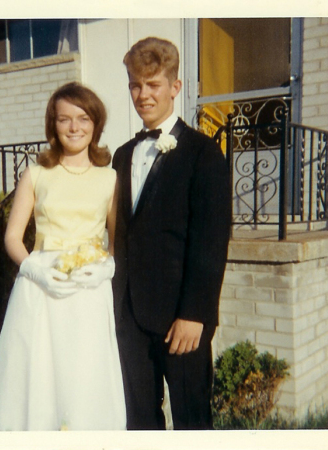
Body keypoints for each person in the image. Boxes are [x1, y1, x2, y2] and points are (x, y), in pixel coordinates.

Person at [0, 82, 126, 431]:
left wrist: (106, 267)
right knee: (39, 374)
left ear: (96, 123)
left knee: (83, 377)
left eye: (83, 118)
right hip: (41, 290)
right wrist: (35, 268)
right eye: (64, 119)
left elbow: (117, 240)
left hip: (87, 290)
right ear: (53, 125)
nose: (74, 127)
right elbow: (13, 237)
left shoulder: (110, 178)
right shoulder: (36, 174)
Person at [112, 37, 231, 430]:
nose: (142, 94)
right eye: (135, 85)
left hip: (181, 319)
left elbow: (211, 240)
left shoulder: (203, 153)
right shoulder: (123, 154)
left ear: (175, 87)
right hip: (130, 315)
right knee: (139, 418)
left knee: (191, 418)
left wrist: (194, 313)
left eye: (153, 84)